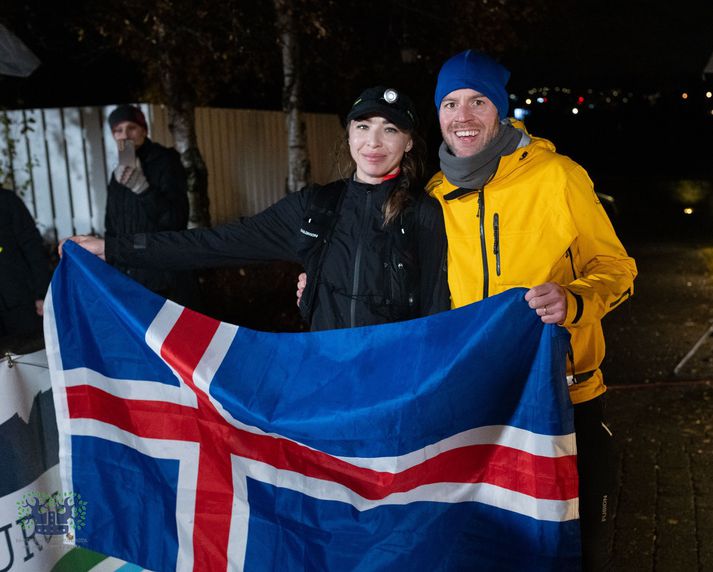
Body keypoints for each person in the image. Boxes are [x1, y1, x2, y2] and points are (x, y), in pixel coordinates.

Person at [427, 50, 637, 570]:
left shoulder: (558, 176)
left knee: (575, 551)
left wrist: (575, 300)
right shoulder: (432, 196)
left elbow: (619, 268)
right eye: (450, 103)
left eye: (478, 101)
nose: (464, 116)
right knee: (491, 550)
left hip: (564, 400)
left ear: (500, 111)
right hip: (477, 405)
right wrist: (317, 285)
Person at [63, 87, 450, 330]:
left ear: (410, 143)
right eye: (363, 127)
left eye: (390, 129)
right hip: (326, 381)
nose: (374, 142)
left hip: (396, 384)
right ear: (348, 134)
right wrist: (112, 247)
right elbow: (215, 243)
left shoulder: (423, 214)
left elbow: (438, 314)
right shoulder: (315, 207)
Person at [104, 104, 193, 304]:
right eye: (118, 130)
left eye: (131, 128)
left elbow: (176, 220)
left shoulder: (166, 161)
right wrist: (112, 266)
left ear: (144, 130)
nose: (125, 135)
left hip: (162, 277)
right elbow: (112, 225)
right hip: (127, 276)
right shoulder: (117, 173)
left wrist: (143, 189)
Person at [0, 187, 51, 344]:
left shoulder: (6, 201)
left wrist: (42, 294)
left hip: (19, 301)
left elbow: (32, 247)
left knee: (30, 356)